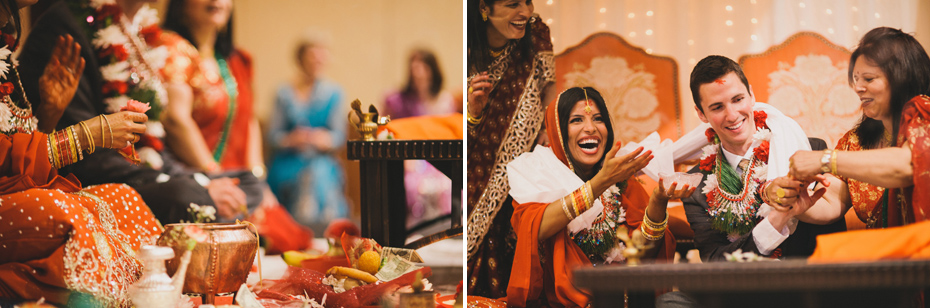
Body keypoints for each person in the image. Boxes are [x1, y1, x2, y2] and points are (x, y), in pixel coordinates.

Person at [18, 0, 251, 224]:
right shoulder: (71, 25)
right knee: (188, 196)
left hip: (142, 171)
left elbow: (152, 142)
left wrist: (193, 177)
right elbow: (86, 159)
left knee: (248, 183)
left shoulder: (138, 32)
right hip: (94, 180)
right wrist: (187, 184)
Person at [0, 0, 161, 305]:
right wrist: (89, 134)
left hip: (16, 194)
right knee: (63, 212)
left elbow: (18, 161)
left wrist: (49, 114)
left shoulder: (5, 51)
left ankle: (144, 292)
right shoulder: (65, 20)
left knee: (125, 198)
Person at [505, 87, 688, 307]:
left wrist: (658, 200)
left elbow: (643, 252)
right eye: (576, 120)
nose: (590, 128)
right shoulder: (538, 173)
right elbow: (536, 227)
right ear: (558, 130)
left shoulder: (621, 180)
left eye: (598, 119)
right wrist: (600, 182)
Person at [681, 55, 845, 262]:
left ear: (751, 95)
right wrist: (777, 219)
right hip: (747, 292)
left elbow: (835, 227)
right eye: (717, 107)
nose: (732, 115)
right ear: (701, 114)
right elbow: (715, 261)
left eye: (737, 99)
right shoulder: (697, 185)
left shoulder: (809, 152)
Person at [788, 27, 930, 228]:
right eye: (856, 79)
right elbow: (830, 203)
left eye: (869, 79)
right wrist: (795, 202)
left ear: (902, 77)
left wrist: (824, 159)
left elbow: (908, 166)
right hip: (888, 254)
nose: (858, 88)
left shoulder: (925, 112)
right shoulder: (854, 141)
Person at [466, 0, 556, 297]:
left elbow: (549, 90)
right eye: (512, 4)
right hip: (474, 161)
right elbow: (462, 129)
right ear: (484, 8)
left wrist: (546, 130)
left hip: (527, 162)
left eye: (528, 2)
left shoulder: (536, 32)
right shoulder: (466, 46)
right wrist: (473, 111)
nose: (525, 12)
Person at [159, 0, 266, 220]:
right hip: (193, 179)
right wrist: (214, 175)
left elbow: (248, 120)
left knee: (288, 234)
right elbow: (175, 120)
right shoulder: (170, 49)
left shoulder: (238, 60)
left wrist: (259, 180)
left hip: (239, 179)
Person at [265, 33, 348, 231]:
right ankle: (291, 233)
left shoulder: (334, 93)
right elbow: (272, 136)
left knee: (318, 174)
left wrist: (322, 139)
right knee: (295, 176)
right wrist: (291, 139)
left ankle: (322, 233)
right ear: (300, 58)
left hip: (321, 160)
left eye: (321, 56)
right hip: (288, 161)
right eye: (312, 55)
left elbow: (339, 137)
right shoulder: (283, 93)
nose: (317, 61)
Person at [384, 48, 455, 228]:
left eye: (423, 67)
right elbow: (387, 131)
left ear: (432, 70)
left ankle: (443, 231)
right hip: (408, 157)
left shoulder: (444, 100)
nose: (418, 73)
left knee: (447, 185)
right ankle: (411, 231)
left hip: (439, 158)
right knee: (410, 184)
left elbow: (449, 135)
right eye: (414, 68)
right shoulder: (398, 101)